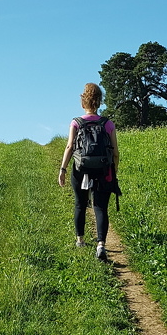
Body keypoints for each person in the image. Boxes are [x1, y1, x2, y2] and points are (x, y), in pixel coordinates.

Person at [58, 83, 119, 260]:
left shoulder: (76, 122)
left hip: (80, 168)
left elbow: (70, 146)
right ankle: (101, 245)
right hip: (103, 169)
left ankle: (80, 241)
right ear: (99, 102)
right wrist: (114, 171)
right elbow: (115, 152)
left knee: (80, 204)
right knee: (100, 207)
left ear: (83, 101)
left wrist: (62, 169)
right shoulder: (108, 124)